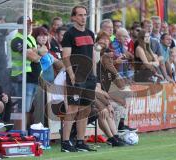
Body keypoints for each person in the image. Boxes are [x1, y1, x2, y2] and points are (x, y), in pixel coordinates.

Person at [61, 5, 98, 152]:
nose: (83, 17)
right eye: (80, 15)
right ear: (74, 17)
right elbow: (65, 57)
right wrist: (71, 75)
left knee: (85, 109)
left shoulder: (90, 33)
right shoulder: (69, 34)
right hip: (76, 76)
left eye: (85, 15)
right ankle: (65, 143)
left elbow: (93, 55)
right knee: (72, 109)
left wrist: (95, 75)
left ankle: (80, 141)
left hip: (90, 77)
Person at [10, 16, 42, 127]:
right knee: (22, 109)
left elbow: (41, 52)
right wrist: (38, 53)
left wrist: (37, 52)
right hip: (22, 78)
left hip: (32, 79)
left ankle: (25, 133)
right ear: (19, 26)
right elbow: (35, 57)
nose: (29, 27)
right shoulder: (16, 40)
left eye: (30, 24)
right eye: (26, 24)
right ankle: (19, 134)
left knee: (28, 109)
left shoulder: (31, 38)